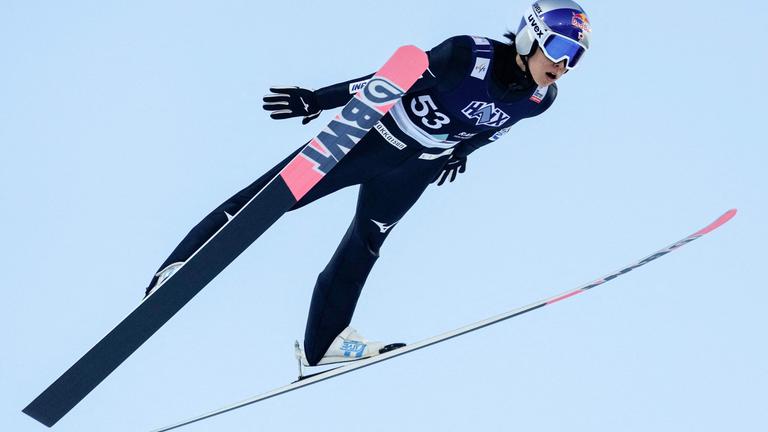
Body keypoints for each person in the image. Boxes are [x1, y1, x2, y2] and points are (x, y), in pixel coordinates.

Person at [144, 0, 592, 368]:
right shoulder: (465, 56)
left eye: (576, 57)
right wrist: (318, 100)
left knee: (367, 243)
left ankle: (324, 343)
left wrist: (460, 154)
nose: (564, 65)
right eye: (559, 49)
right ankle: (183, 264)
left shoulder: (539, 100)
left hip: (415, 168)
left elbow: (491, 130)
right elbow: (386, 83)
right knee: (275, 195)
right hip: (372, 139)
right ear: (531, 34)